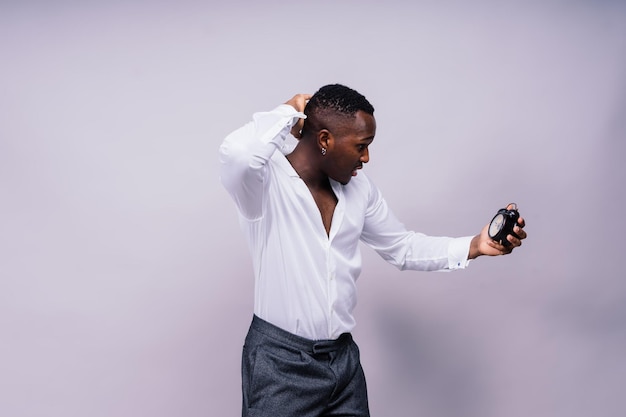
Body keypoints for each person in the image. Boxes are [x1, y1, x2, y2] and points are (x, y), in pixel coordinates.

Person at [218, 84, 526, 417]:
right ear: (324, 140)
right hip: (280, 364)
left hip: (343, 361)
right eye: (361, 146)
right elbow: (237, 153)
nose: (366, 158)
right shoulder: (263, 182)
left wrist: (475, 245)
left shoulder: (359, 190)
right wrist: (288, 112)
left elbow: (403, 247)